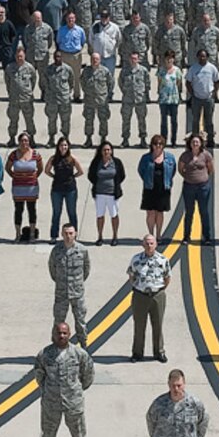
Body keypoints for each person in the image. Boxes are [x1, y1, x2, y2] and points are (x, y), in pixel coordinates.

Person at [33, 319, 97, 437]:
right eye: (58, 333)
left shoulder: (79, 354)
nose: (61, 336)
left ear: (69, 335)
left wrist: (75, 390)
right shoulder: (44, 355)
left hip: (73, 404)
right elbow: (40, 377)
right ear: (53, 335)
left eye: (64, 333)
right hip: (51, 405)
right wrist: (50, 392)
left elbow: (88, 375)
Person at [128, 233, 172, 362]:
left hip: (157, 295)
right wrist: (139, 287)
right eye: (146, 243)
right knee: (139, 325)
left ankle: (159, 352)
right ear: (143, 244)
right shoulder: (136, 259)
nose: (149, 245)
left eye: (151, 243)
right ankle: (137, 353)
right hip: (140, 296)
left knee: (158, 324)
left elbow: (167, 277)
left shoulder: (163, 260)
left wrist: (159, 289)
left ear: (156, 244)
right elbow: (131, 276)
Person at [49, 224, 93, 343]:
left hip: (77, 294)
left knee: (80, 323)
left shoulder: (82, 250)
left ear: (75, 234)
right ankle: (56, 347)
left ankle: (83, 347)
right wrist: (60, 281)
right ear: (62, 234)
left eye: (71, 233)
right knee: (58, 322)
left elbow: (86, 269)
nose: (68, 236)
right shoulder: (56, 250)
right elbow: (52, 269)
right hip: (61, 293)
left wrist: (77, 282)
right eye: (66, 233)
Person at [177, 133, 215, 240]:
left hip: (203, 187)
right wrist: (188, 177)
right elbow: (180, 169)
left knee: (204, 211)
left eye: (197, 142)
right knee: (189, 212)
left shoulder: (206, 155)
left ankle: (206, 236)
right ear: (190, 143)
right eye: (193, 142)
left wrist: (203, 177)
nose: (195, 144)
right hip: (189, 187)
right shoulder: (185, 155)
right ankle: (186, 236)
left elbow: (211, 169)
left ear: (201, 143)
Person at [88, 141, 126, 244]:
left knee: (114, 215)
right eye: (104, 150)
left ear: (111, 151)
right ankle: (100, 237)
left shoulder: (117, 162)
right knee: (100, 215)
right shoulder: (96, 163)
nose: (106, 152)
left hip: (113, 194)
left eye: (108, 150)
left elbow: (122, 175)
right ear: (101, 151)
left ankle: (115, 236)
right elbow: (91, 175)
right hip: (99, 194)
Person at [138, 136, 175, 239]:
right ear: (152, 145)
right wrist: (147, 180)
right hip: (150, 188)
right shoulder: (146, 158)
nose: (158, 146)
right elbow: (141, 170)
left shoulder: (170, 158)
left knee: (160, 213)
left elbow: (173, 171)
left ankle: (159, 235)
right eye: (155, 144)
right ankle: (151, 234)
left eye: (160, 144)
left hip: (163, 189)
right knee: (150, 213)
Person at [185, 48, 219, 143]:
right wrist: (192, 94)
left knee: (209, 121)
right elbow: (188, 82)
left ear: (207, 57)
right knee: (195, 120)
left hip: (208, 98)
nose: (202, 58)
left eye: (204, 56)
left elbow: (217, 81)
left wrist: (214, 93)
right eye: (200, 56)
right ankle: (195, 140)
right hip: (196, 98)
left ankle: (210, 140)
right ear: (197, 57)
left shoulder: (212, 68)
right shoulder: (193, 68)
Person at [156, 53, 182, 141]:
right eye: (167, 58)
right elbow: (159, 83)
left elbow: (178, 83)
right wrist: (159, 94)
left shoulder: (177, 70)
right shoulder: (161, 70)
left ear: (173, 60)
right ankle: (164, 139)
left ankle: (173, 140)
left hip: (174, 98)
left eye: (171, 58)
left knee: (174, 121)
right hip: (163, 99)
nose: (169, 60)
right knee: (164, 121)